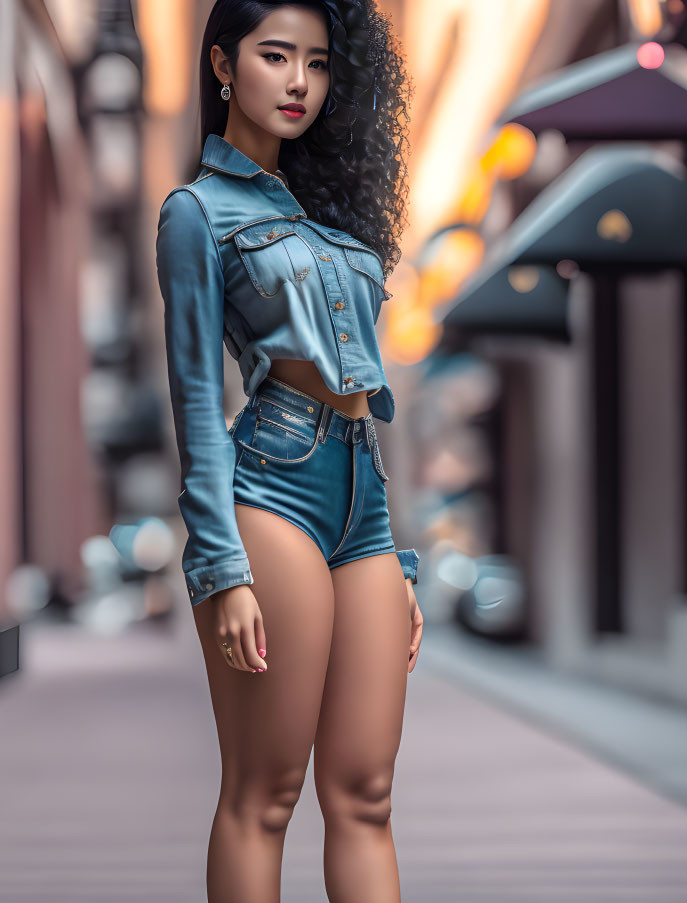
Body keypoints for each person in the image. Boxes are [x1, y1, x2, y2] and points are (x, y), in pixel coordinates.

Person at [154, 1, 421, 899]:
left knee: (367, 793)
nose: (299, 81)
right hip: (273, 487)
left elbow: (363, 394)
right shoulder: (195, 212)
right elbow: (195, 396)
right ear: (225, 66)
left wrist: (399, 557)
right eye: (275, 56)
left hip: (364, 496)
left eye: (317, 62)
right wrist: (220, 567)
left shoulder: (333, 215)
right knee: (264, 795)